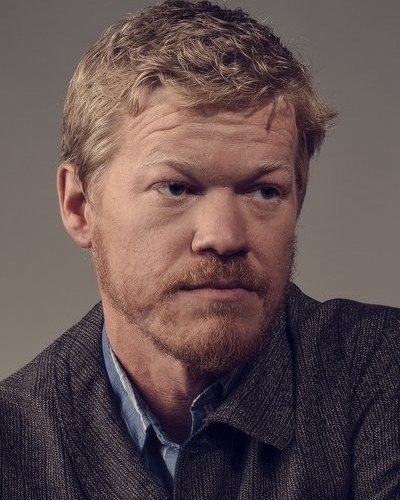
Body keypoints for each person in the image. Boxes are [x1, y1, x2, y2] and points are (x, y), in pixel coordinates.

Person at [1, 0, 399, 498]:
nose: (225, 236)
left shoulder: (382, 375)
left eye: (264, 191)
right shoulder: (12, 446)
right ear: (80, 206)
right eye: (176, 188)